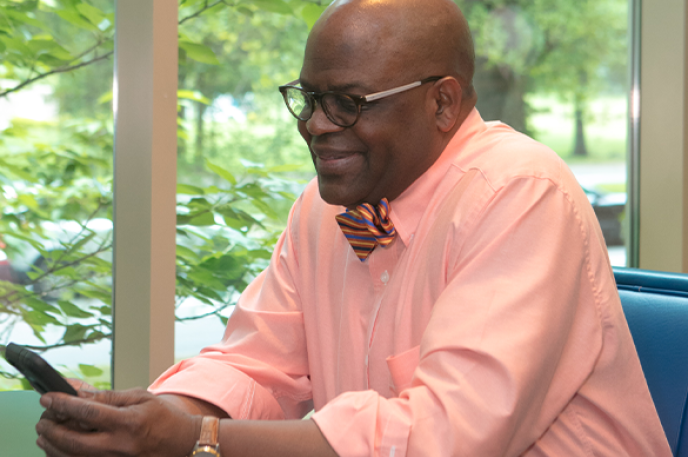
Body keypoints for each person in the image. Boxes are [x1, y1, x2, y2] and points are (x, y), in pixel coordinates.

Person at [35, 0, 672, 456]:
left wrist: (200, 440)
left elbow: (444, 438)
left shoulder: (522, 194)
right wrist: (152, 419)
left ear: (443, 101)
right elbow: (257, 366)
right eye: (308, 99)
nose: (314, 124)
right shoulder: (323, 206)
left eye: (347, 102)